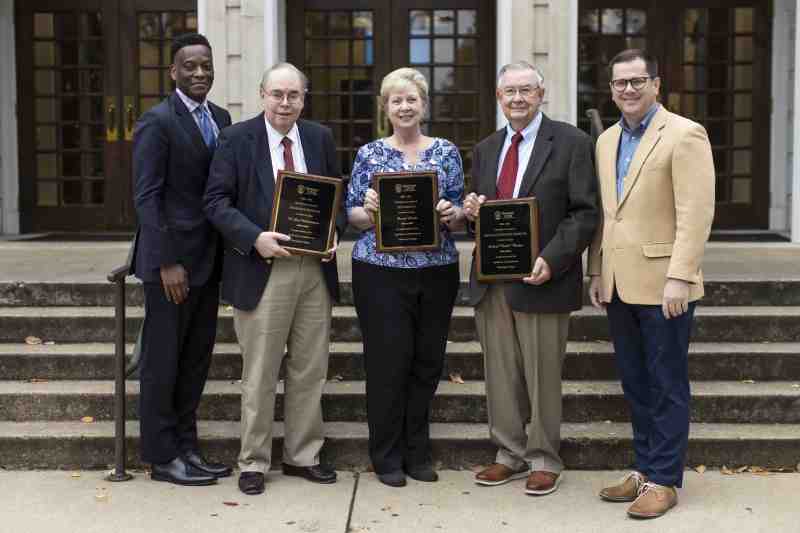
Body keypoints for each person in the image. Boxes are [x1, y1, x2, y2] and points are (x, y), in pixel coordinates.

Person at [204, 62, 345, 496]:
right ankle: (253, 461)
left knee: (309, 367)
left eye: (294, 95)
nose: (285, 103)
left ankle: (303, 455)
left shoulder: (319, 137)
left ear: (304, 98)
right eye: (277, 94)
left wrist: (333, 228)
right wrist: (254, 238)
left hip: (313, 270)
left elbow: (333, 195)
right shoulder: (236, 139)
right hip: (261, 267)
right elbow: (215, 201)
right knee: (260, 371)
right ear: (262, 94)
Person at [588, 49, 714, 519]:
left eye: (638, 81)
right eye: (620, 83)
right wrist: (596, 270)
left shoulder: (684, 134)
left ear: (656, 84)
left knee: (666, 384)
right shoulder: (605, 141)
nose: (629, 90)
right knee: (635, 383)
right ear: (611, 89)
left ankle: (665, 479)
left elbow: (695, 214)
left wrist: (680, 276)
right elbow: (607, 213)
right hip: (620, 283)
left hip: (666, 286)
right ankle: (644, 470)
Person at [462, 61, 598, 496]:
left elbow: (584, 212)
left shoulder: (573, 142)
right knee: (500, 373)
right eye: (509, 92)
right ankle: (508, 453)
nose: (517, 98)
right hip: (492, 278)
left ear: (542, 94)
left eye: (526, 90)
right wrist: (471, 214)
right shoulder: (486, 148)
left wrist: (553, 259)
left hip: (544, 277)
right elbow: (485, 215)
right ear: (498, 97)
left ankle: (544, 457)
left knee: (542, 374)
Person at [345, 67, 464, 488]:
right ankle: (386, 455)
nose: (405, 106)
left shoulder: (447, 152)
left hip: (436, 271)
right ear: (385, 108)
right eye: (396, 100)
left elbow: (459, 213)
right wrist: (369, 210)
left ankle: (418, 452)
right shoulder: (369, 155)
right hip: (380, 273)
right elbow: (353, 216)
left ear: (424, 105)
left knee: (427, 363)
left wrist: (454, 213)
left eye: (412, 99)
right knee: (387, 363)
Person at [131, 33, 232, 486]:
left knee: (195, 362)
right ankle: (161, 456)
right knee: (162, 364)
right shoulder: (157, 122)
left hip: (209, 263)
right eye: (189, 66)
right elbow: (148, 198)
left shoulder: (222, 118)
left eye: (205, 65)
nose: (199, 73)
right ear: (173, 71)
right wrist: (166, 261)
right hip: (171, 268)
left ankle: (188, 449)